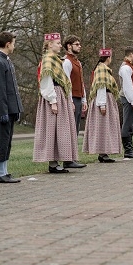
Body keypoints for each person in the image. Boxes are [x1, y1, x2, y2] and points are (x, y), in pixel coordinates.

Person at [34, 32, 80, 173]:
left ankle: (58, 161)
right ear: (49, 44)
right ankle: (53, 164)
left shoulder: (56, 59)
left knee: (60, 130)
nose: (60, 46)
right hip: (53, 97)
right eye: (58, 43)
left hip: (60, 95)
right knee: (53, 130)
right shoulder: (48, 60)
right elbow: (46, 82)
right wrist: (53, 101)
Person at [0, 31, 24, 183]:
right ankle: (0, 172)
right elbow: (0, 90)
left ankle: (5, 171)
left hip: (11, 108)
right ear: (8, 44)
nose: (14, 46)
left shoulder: (6, 61)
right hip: (4, 109)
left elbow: (13, 89)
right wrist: (3, 111)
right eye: (13, 44)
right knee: (3, 140)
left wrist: (17, 108)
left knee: (8, 140)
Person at [83, 49, 122, 163]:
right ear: (108, 58)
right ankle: (103, 152)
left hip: (106, 99)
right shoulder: (102, 69)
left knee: (104, 127)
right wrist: (102, 105)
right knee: (104, 127)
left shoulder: (102, 69)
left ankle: (103, 153)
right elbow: (101, 87)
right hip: (103, 100)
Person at [61, 35, 87, 169]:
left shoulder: (77, 62)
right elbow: (67, 83)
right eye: (77, 44)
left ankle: (72, 157)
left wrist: (84, 99)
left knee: (75, 128)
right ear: (69, 46)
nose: (79, 46)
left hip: (78, 97)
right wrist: (70, 100)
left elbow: (81, 82)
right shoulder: (67, 62)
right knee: (70, 129)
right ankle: (68, 159)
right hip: (72, 98)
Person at [118, 46, 133, 159]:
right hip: (127, 98)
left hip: (132, 98)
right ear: (131, 54)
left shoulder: (131, 67)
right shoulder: (125, 68)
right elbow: (127, 86)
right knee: (127, 124)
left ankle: (130, 149)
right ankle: (128, 149)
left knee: (131, 124)